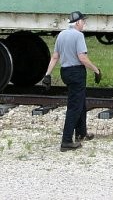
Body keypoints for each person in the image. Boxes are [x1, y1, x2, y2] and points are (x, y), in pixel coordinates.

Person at [42, 11, 102, 152]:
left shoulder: (61, 35)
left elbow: (55, 56)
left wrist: (47, 74)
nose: (84, 24)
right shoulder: (78, 35)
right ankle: (66, 141)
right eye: (83, 21)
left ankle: (81, 133)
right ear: (77, 22)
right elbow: (82, 58)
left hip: (65, 72)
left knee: (80, 102)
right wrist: (96, 70)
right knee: (74, 106)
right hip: (76, 72)